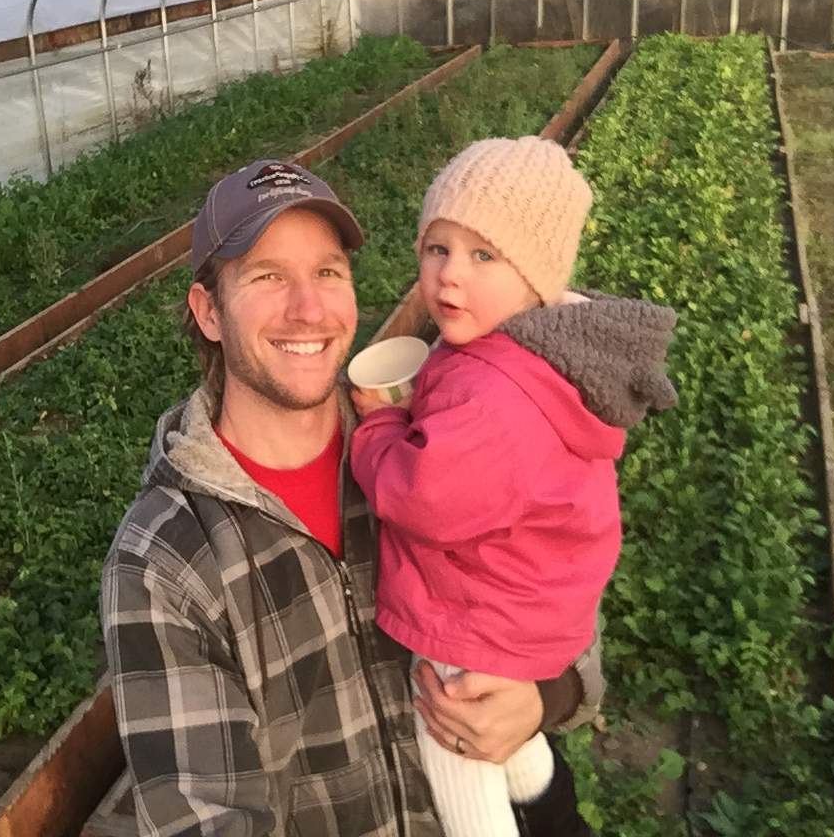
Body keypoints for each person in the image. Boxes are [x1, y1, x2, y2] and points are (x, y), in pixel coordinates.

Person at [93, 159, 605, 837]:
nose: (309, 308)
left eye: (328, 272)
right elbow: (207, 821)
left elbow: (556, 580)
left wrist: (546, 696)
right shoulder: (168, 558)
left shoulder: (428, 444)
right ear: (209, 311)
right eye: (269, 276)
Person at [349, 136, 679, 837]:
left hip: (479, 610)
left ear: (536, 277)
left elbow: (425, 497)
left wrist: (378, 430)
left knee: (451, 742)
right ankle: (537, 789)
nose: (449, 278)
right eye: (437, 248)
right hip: (537, 601)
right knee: (514, 750)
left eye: (482, 255)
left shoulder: (494, 392)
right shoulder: (532, 351)